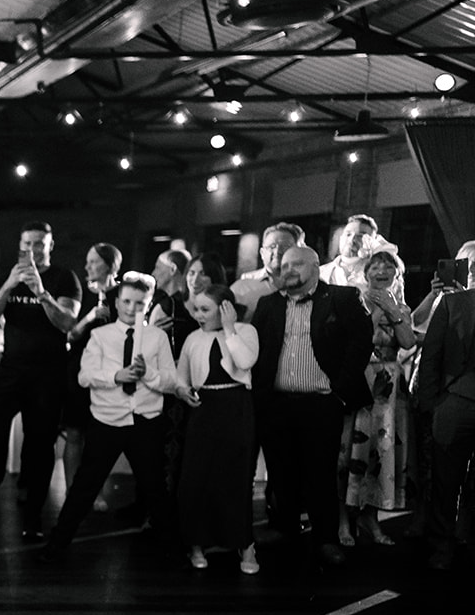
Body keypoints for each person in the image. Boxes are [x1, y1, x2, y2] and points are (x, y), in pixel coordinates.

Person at [38, 275, 189, 562]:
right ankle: (57, 543)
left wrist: (149, 376)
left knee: (155, 486)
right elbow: (84, 377)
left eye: (140, 304)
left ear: (148, 306)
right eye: (127, 302)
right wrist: (116, 376)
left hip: (145, 420)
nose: (132, 309)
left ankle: (174, 549)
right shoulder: (101, 336)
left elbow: (171, 381)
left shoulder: (157, 338)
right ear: (117, 302)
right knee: (86, 484)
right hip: (107, 422)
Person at [0, 222, 81, 539]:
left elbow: (66, 323)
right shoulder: (11, 275)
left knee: (39, 445)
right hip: (10, 368)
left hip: (48, 373)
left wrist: (40, 291)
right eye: (28, 244)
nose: (33, 249)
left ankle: (33, 519)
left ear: (50, 245)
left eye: (40, 243)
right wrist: (10, 285)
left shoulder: (65, 278)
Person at [250, 244, 373, 567]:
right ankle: (284, 529)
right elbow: (258, 352)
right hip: (276, 404)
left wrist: (339, 392)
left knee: (320, 475)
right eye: (284, 265)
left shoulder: (342, 299)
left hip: (321, 403)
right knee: (280, 473)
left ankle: (326, 539)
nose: (287, 270)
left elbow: (360, 345)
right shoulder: (268, 304)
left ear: (315, 266)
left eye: (296, 265)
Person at [174, 280, 261, 574]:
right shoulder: (191, 339)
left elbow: (245, 360)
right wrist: (183, 390)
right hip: (203, 411)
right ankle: (196, 544)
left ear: (224, 309)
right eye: (196, 309)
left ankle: (245, 544)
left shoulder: (245, 331)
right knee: (196, 478)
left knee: (236, 478)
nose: (198, 315)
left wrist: (229, 328)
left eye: (205, 309)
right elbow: (181, 377)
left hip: (237, 408)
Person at [339, 249, 417, 547]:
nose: (382, 270)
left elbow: (408, 342)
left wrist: (393, 311)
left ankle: (371, 518)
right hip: (361, 380)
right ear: (366, 273)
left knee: (380, 454)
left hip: (389, 387)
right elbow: (355, 341)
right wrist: (374, 313)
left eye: (389, 267)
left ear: (397, 275)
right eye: (376, 267)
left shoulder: (402, 307)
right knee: (350, 453)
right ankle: (344, 519)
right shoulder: (352, 303)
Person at [414, 264, 475, 571]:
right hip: (454, 403)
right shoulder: (454, 303)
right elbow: (431, 356)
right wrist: (431, 405)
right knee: (445, 481)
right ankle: (442, 546)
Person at [59, 244, 122, 520]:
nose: (87, 267)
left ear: (109, 265)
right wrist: (89, 318)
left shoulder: (122, 294)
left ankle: (93, 490)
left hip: (111, 371)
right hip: (79, 369)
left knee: (100, 437)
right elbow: (69, 334)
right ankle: (73, 491)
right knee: (74, 433)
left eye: (94, 262)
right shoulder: (79, 292)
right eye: (87, 261)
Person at [235, 222, 304, 318]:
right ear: (262, 253)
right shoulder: (244, 285)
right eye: (272, 246)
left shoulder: (308, 284)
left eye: (286, 247)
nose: (278, 251)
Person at [320, 213, 382, 289]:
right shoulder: (320, 273)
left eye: (360, 236)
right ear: (341, 238)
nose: (352, 239)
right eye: (348, 234)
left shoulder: (380, 274)